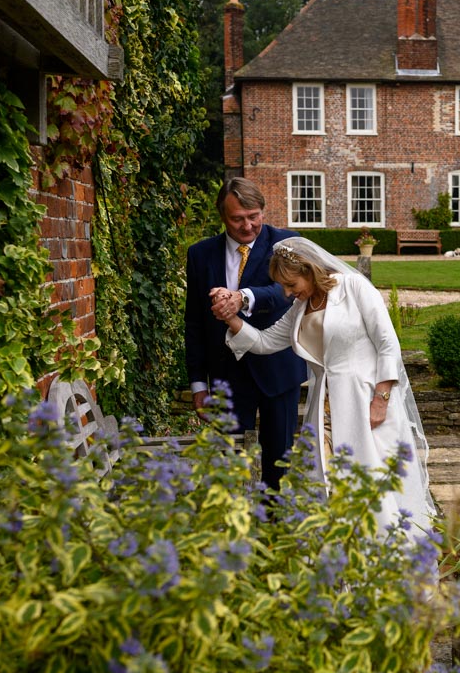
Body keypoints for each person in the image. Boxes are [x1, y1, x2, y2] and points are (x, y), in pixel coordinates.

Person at [207, 237, 434, 538]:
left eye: (290, 284)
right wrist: (231, 318)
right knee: (329, 481)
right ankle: (339, 564)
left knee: (371, 480)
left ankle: (385, 556)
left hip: (365, 401)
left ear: (309, 269)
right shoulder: (300, 308)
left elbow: (387, 343)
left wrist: (381, 399)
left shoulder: (353, 287)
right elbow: (263, 342)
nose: (287, 294)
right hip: (323, 408)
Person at [185, 178, 307, 491]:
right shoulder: (200, 255)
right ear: (222, 216)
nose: (247, 226)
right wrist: (199, 383)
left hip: (278, 370)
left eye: (254, 216)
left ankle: (272, 527)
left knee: (279, 460)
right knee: (227, 460)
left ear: (263, 211)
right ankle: (231, 528)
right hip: (227, 374)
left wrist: (243, 297)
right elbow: (195, 323)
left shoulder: (287, 243)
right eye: (237, 219)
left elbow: (284, 292)